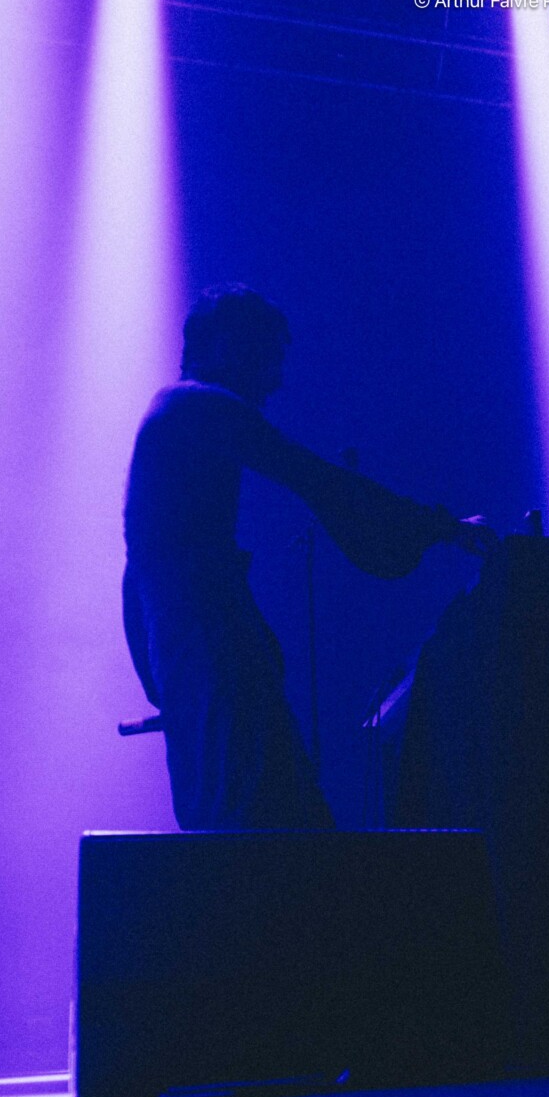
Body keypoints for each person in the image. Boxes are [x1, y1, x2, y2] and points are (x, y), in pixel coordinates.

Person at [122, 283, 491, 830]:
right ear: (224, 344)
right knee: (268, 819)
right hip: (211, 645)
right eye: (264, 356)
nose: (274, 380)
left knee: (240, 816)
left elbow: (134, 574)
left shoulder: (170, 415)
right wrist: (441, 526)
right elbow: (317, 478)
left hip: (187, 653)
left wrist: (159, 676)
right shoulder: (200, 405)